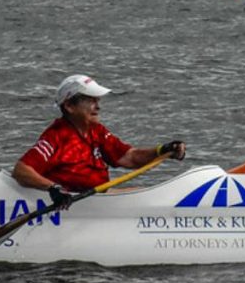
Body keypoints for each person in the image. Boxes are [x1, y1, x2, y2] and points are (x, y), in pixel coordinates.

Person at [12, 74, 186, 208]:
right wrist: (53, 188)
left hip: (100, 197)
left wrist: (162, 150)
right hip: (74, 205)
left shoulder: (97, 131)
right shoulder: (56, 137)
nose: (98, 106)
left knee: (150, 194)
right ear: (69, 106)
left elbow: (129, 157)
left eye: (97, 100)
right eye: (90, 100)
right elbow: (21, 170)